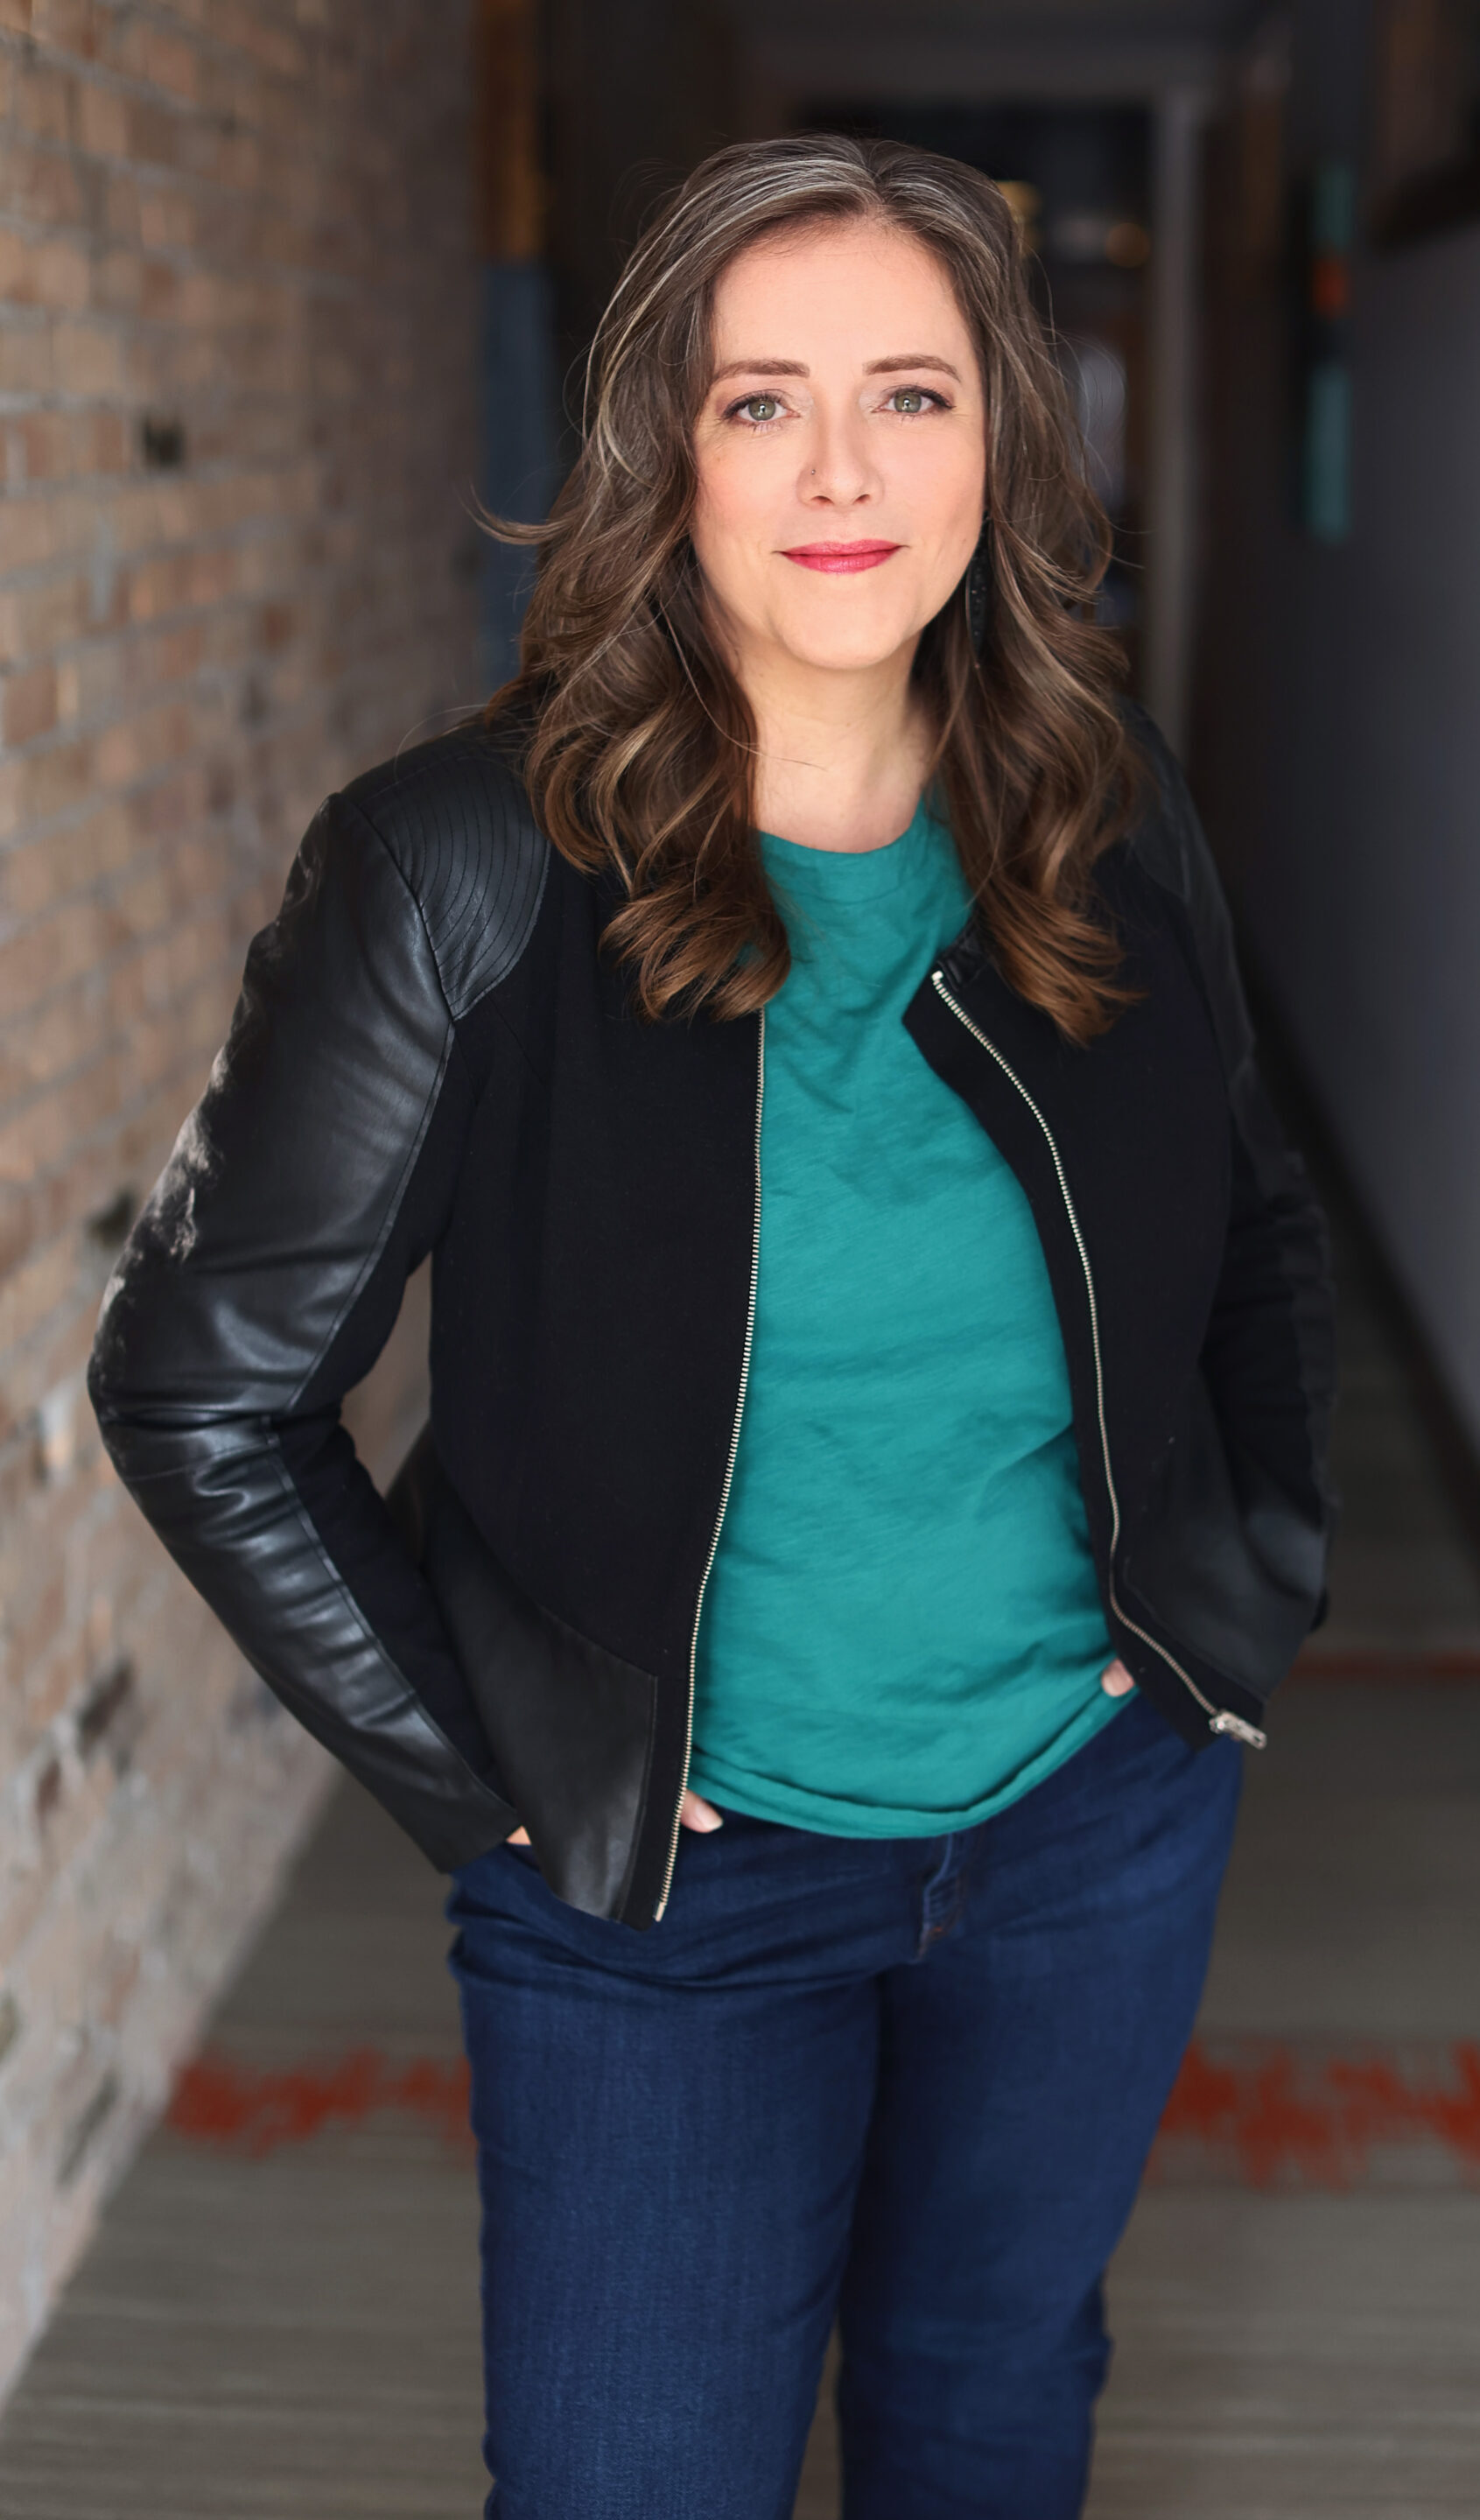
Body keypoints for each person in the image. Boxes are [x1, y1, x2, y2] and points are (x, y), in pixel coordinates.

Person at [88, 135, 1335, 2520]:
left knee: (986, 2401)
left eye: (911, 394)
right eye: (759, 404)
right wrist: (493, 1776)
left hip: (1088, 1828)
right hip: (672, 1894)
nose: (844, 472)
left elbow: (1252, 1224)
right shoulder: (457, 863)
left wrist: (1239, 1581)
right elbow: (203, 1384)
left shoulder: (1101, 805)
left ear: (1007, 438)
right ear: (656, 456)